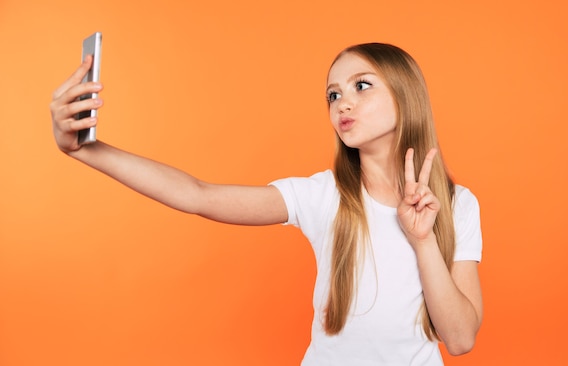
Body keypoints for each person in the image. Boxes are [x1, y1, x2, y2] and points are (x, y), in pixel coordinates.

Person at [50, 42, 483, 365]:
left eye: (361, 86)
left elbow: (460, 339)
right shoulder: (323, 196)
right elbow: (199, 195)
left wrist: (423, 240)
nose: (342, 103)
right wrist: (84, 150)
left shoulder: (458, 205)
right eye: (332, 95)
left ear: (406, 94)